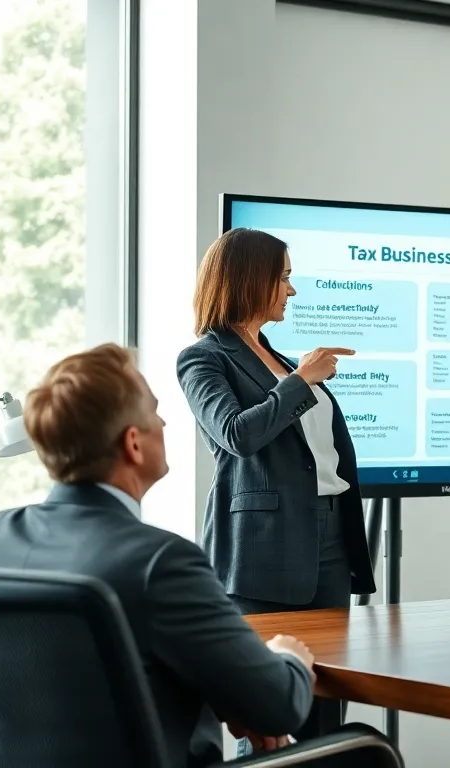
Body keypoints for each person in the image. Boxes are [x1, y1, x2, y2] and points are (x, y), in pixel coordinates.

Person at [0, 343, 318, 767]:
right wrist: (288, 656)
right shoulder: (162, 562)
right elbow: (279, 707)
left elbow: (69, 681)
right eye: (155, 412)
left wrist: (226, 702)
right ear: (133, 444)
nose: (164, 422)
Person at [177, 228, 376, 747]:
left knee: (325, 699)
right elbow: (237, 434)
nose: (291, 289)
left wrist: (297, 377)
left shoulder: (280, 360)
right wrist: (302, 381)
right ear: (251, 278)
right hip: (262, 551)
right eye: (284, 277)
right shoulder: (203, 358)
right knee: (265, 712)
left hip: (330, 541)